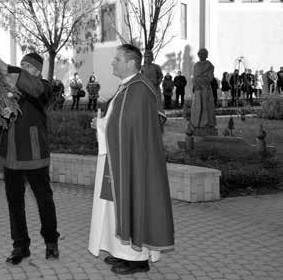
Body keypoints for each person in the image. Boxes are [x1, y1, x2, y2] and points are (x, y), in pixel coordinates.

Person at [88, 44, 174, 275]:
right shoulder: (127, 88)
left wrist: (102, 125)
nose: (112, 63)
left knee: (135, 201)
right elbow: (122, 121)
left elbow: (127, 125)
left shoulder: (139, 89)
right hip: (123, 158)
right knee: (119, 202)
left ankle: (138, 260)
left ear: (131, 63)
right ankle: (122, 253)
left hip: (136, 161)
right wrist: (103, 123)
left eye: (117, 59)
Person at [0, 52, 60, 265]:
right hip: (10, 155)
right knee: (15, 203)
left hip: (34, 154)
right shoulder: (9, 87)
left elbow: (33, 89)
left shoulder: (44, 86)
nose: (22, 67)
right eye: (21, 64)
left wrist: (6, 67)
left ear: (37, 70)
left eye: (27, 65)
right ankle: (20, 246)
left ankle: (51, 242)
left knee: (44, 200)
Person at [191, 48, 216, 136]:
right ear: (198, 55)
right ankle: (197, 124)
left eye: (204, 54)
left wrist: (200, 79)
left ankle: (206, 124)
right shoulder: (196, 65)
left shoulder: (209, 65)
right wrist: (196, 82)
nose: (202, 55)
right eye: (200, 54)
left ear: (206, 55)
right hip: (198, 90)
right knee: (197, 106)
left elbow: (209, 78)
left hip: (205, 90)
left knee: (206, 106)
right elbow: (194, 77)